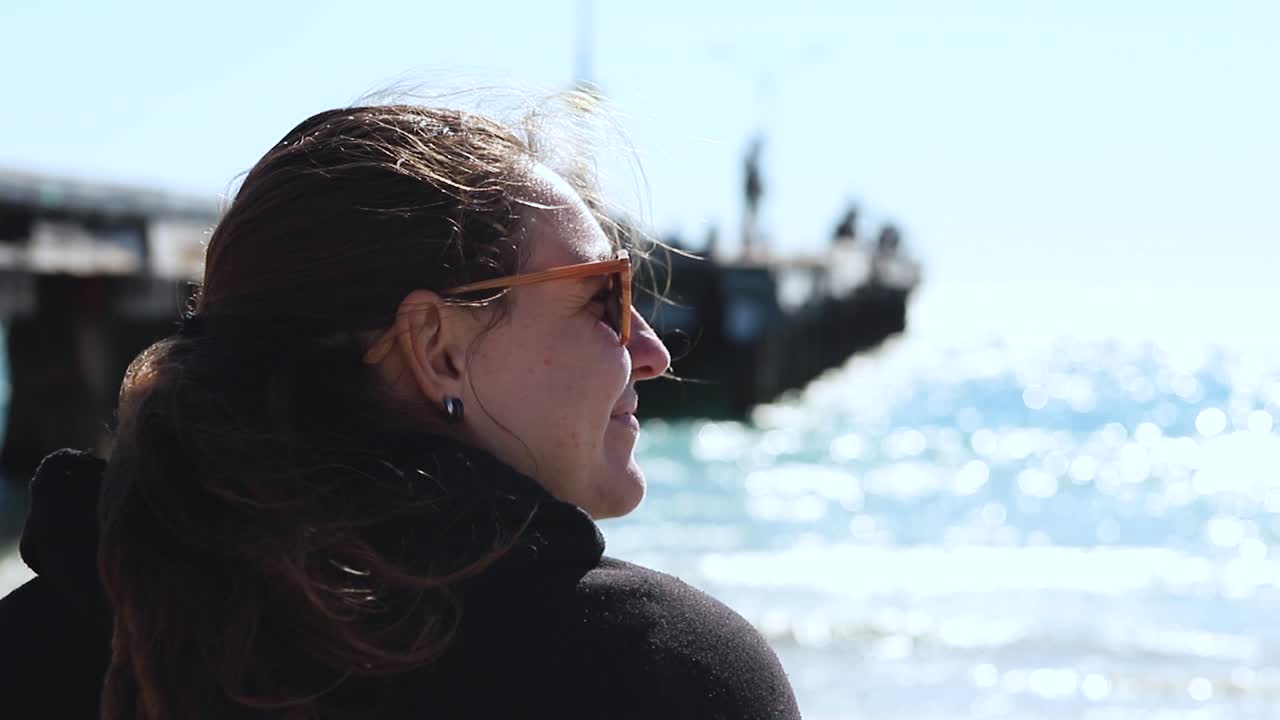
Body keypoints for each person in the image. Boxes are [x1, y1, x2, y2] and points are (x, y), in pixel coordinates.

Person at [0, 100, 801, 719]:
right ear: (437, 345)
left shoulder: (40, 642)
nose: (652, 352)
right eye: (603, 298)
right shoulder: (656, 673)